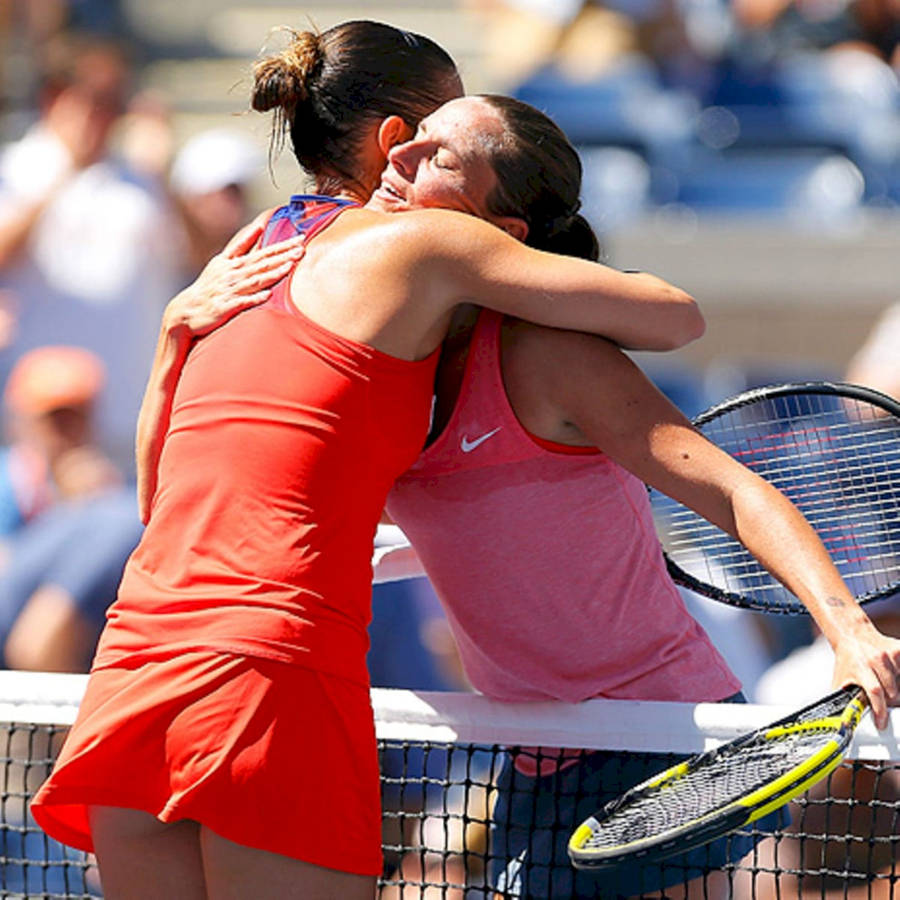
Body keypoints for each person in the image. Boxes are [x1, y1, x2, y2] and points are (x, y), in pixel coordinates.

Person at [30, 20, 705, 900]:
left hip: (135, 661)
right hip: (266, 676)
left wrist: (171, 330)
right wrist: (511, 266)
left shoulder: (244, 253)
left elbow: (160, 506)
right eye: (452, 120)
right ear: (398, 143)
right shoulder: (427, 245)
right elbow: (675, 316)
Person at [0, 31, 182, 470]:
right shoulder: (17, 167)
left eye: (114, 99)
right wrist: (63, 174)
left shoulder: (142, 175)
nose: (104, 113)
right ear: (53, 97)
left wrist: (164, 177)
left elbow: (200, 256)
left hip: (129, 418)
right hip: (41, 425)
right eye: (93, 96)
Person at [0, 346, 142, 673]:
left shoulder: (108, 496)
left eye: (77, 416)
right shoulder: (8, 484)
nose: (65, 432)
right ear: (18, 422)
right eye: (52, 419)